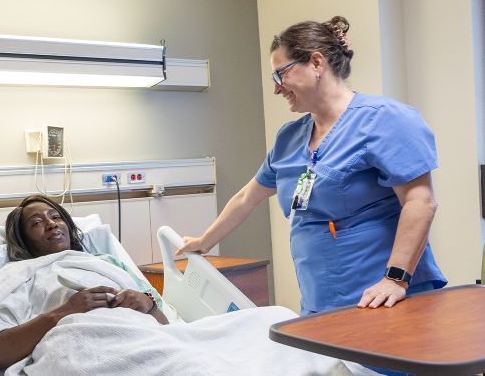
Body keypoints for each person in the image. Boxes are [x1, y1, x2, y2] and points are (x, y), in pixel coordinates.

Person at [177, 16, 447, 317]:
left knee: (380, 365)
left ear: (316, 63)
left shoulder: (384, 120)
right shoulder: (290, 138)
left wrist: (395, 279)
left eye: (281, 74)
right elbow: (246, 198)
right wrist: (204, 242)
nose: (277, 89)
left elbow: (420, 201)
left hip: (383, 296)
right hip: (321, 297)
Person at [0, 195, 168, 371]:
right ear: (23, 240)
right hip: (82, 353)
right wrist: (65, 311)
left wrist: (147, 304)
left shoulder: (107, 262)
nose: (51, 224)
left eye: (56, 217)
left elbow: (165, 324)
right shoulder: (15, 277)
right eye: (36, 223)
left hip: (145, 339)